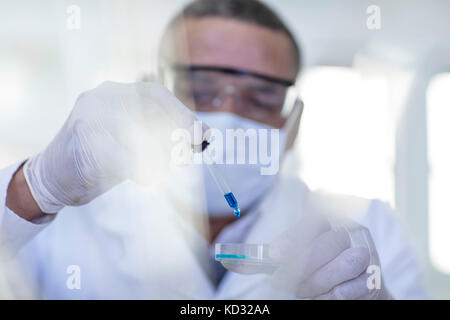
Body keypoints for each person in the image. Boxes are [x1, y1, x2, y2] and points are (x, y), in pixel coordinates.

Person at [0, 0, 425, 299]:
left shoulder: (362, 230)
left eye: (259, 98)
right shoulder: (66, 224)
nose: (227, 113)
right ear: (150, 90)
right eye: (198, 89)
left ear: (291, 124)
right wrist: (33, 190)